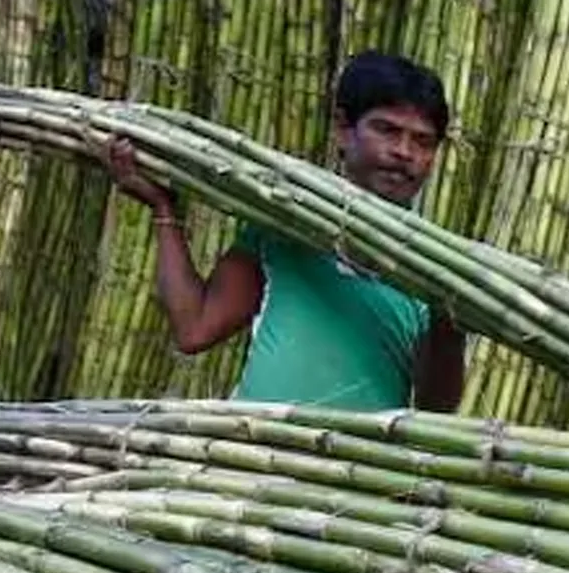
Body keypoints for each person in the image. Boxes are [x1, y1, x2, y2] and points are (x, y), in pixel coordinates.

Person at [103, 51, 467, 411]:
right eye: (387, 130)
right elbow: (194, 327)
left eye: (423, 141)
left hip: (359, 462)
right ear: (343, 129)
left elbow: (435, 406)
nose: (404, 152)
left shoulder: (433, 264)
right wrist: (163, 208)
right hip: (255, 452)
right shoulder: (285, 222)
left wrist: (449, 315)